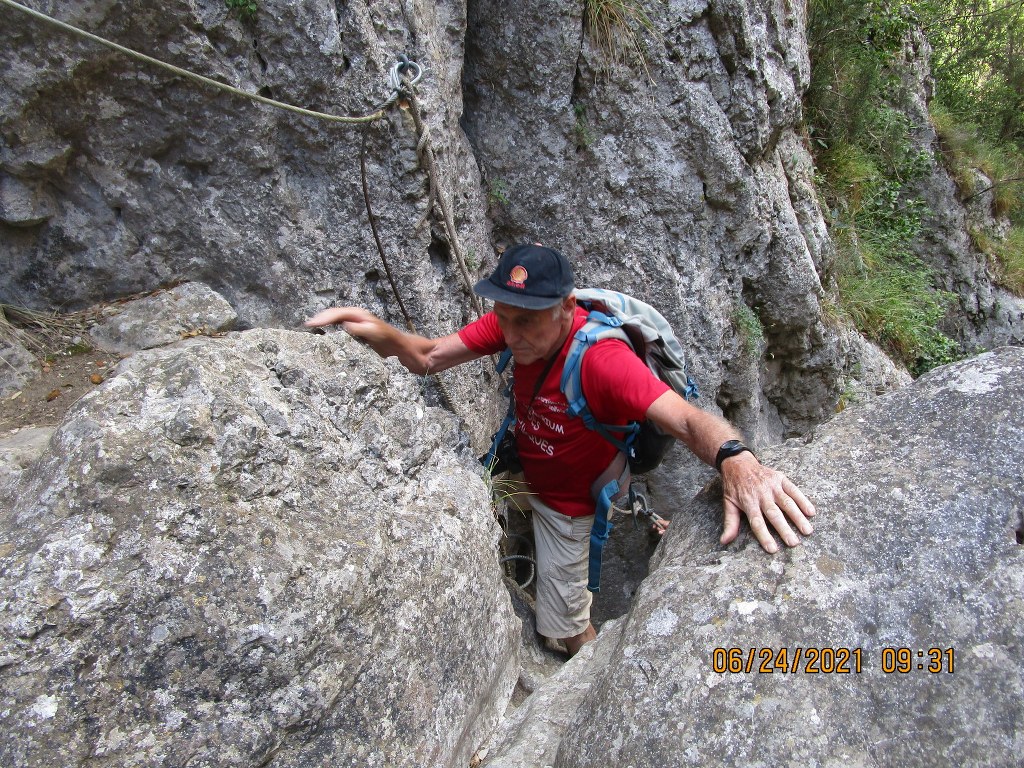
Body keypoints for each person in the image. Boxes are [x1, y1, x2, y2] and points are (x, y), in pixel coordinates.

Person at [306, 244, 816, 657]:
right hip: (535, 466)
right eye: (504, 318)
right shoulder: (514, 318)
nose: (512, 334)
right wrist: (376, 329)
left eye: (528, 321)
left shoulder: (603, 362)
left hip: (572, 508)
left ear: (567, 308)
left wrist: (736, 459)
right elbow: (428, 355)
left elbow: (684, 417)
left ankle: (588, 678)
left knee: (565, 626)